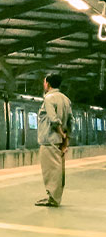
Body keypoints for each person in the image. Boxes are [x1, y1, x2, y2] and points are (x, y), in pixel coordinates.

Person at [35, 73, 73, 207]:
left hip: (49, 140)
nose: (43, 84)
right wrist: (65, 141)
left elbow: (53, 120)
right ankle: (56, 197)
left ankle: (53, 199)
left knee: (50, 171)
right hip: (58, 142)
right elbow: (70, 122)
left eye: (44, 82)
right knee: (58, 170)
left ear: (48, 84)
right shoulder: (66, 99)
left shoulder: (49, 99)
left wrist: (61, 134)